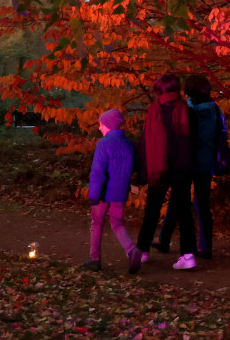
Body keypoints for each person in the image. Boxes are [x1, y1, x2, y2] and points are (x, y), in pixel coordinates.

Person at [134, 72, 199, 270]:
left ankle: (142, 251)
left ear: (160, 89)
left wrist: (142, 172)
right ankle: (188, 255)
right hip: (183, 167)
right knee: (184, 212)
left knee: (152, 210)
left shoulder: (154, 111)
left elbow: (146, 143)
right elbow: (195, 142)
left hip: (159, 168)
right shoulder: (187, 112)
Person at [154, 74, 220, 259]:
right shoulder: (215, 109)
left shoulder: (187, 110)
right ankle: (206, 246)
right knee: (202, 204)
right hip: (207, 162)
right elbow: (219, 135)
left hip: (187, 161)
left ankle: (164, 239)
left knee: (177, 198)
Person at [80, 109, 140, 274]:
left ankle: (95, 259)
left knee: (97, 223)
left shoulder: (104, 144)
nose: (99, 128)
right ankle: (132, 250)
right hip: (120, 192)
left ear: (108, 125)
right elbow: (134, 167)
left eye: (101, 124)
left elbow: (98, 172)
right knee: (117, 223)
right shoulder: (129, 144)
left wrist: (94, 195)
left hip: (103, 193)